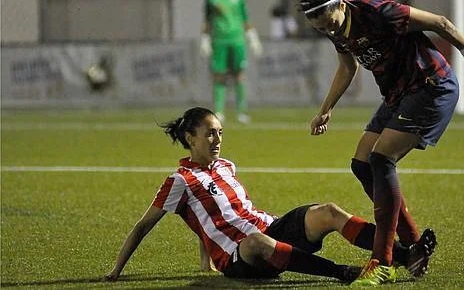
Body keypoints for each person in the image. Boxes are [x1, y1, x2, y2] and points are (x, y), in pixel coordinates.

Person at [299, 0, 464, 286]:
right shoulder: (334, 27)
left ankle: (383, 261)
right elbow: (348, 66)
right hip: (399, 94)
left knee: (381, 159)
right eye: (320, 28)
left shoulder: (377, 12)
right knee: (362, 163)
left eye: (329, 23)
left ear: (341, 6)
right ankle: (413, 246)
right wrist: (325, 109)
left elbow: (438, 21)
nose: (328, 30)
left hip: (431, 86)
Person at [105, 107, 427, 283]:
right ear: (190, 138)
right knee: (257, 242)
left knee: (327, 211)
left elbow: (209, 218)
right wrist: (117, 270)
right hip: (240, 257)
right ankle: (343, 272)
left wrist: (203, 258)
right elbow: (144, 226)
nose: (217, 140)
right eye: (209, 134)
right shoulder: (180, 180)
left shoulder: (226, 166)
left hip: (270, 229)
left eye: (220, 133)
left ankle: (404, 256)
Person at [200, 0, 263, 124]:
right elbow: (207, 20)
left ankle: (241, 111)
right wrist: (204, 38)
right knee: (219, 75)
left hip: (237, 40)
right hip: (219, 40)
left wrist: (253, 37)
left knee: (239, 75)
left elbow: (245, 17)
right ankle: (219, 111)